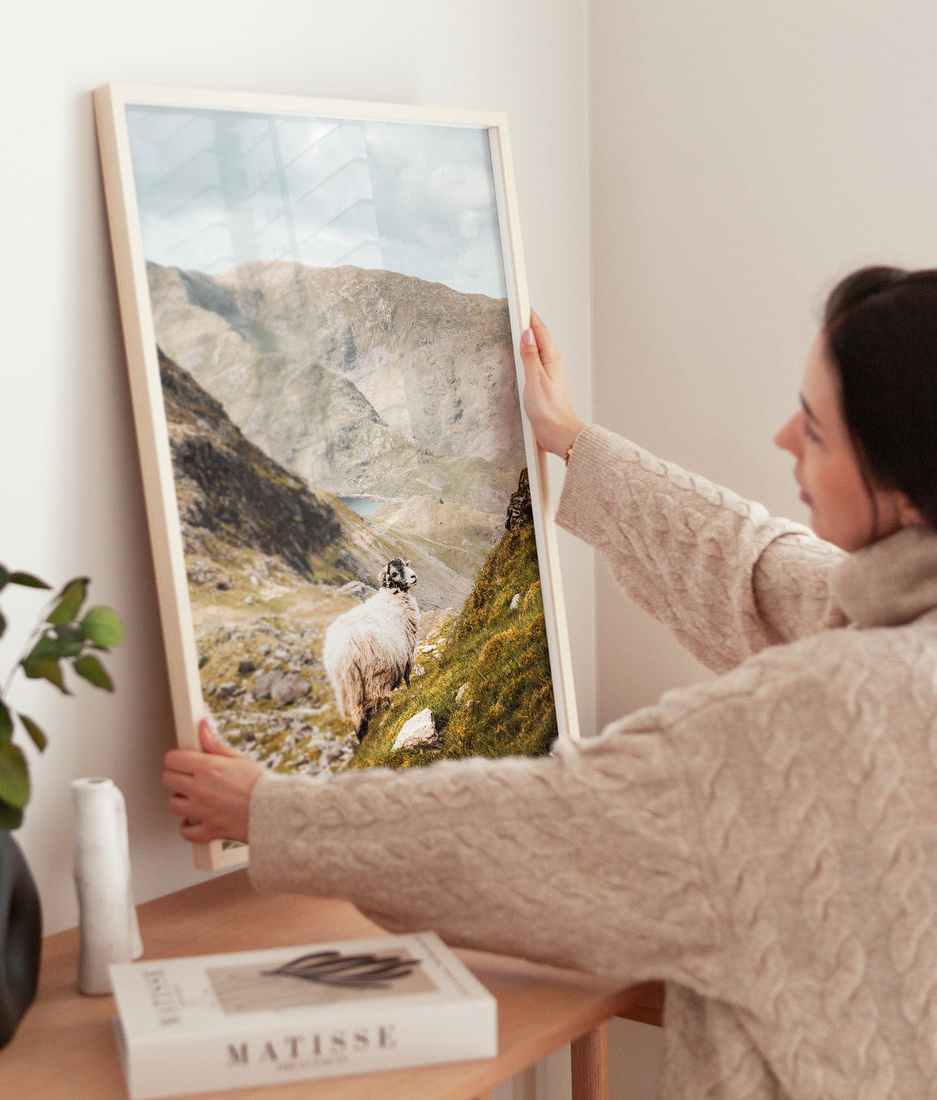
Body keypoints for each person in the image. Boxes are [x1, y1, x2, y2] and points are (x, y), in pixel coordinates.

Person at [162, 265, 937, 1099]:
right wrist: (571, 440)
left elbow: (546, 827)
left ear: (901, 487)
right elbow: (754, 567)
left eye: (816, 431)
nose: (784, 437)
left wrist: (271, 813)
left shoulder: (817, 717)